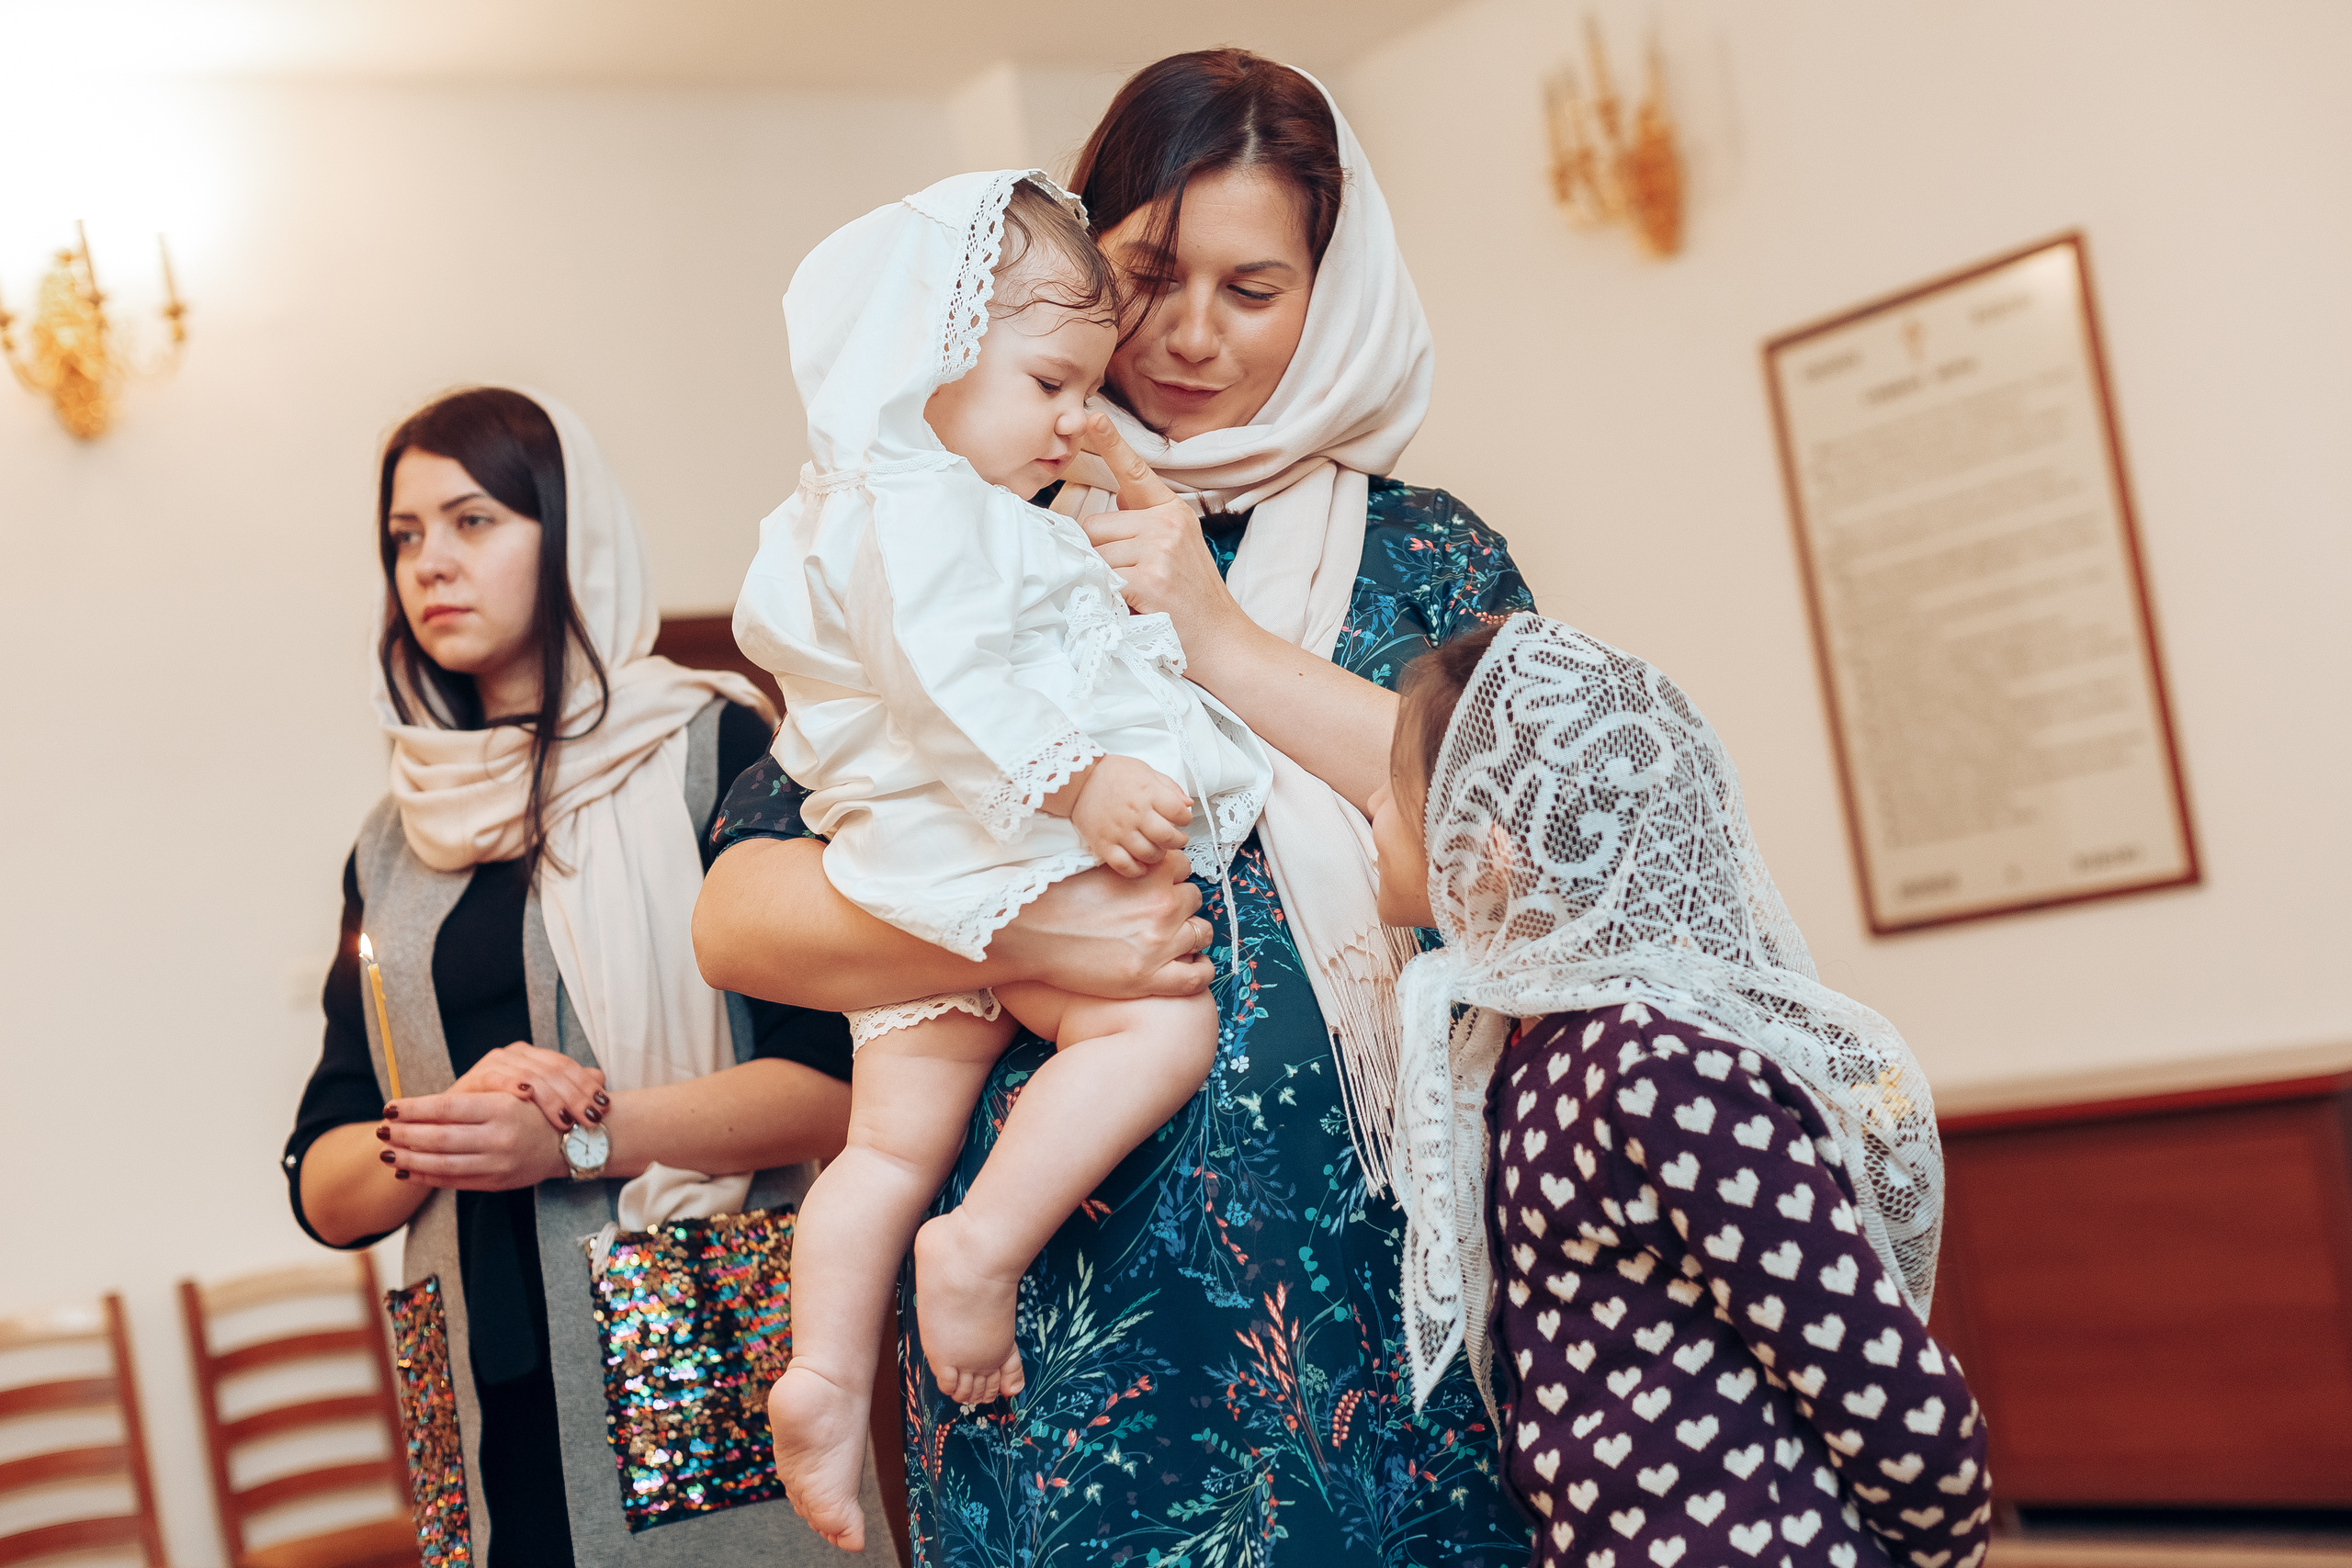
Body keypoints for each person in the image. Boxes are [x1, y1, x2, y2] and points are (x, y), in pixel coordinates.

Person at [696, 51, 1539, 1565]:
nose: (1191, 335)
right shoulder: (954, 517)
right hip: (1061, 1348)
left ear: (1329, 294)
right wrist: (1037, 934)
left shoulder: (1430, 564)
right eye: (1149, 274)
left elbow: (1526, 859)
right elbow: (741, 912)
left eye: (1255, 286)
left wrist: (1219, 641)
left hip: (1383, 1325)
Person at [740, 170, 1276, 1550]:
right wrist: (1082, 778)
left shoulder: (871, 504)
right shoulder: (928, 509)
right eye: (1049, 381)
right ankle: (981, 1245)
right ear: (924, 361)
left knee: (885, 1144)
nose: (1075, 418)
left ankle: (823, 1372)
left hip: (910, 870)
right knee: (1156, 1020)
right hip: (995, 850)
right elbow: (953, 681)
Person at [283, 387, 899, 1568]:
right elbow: (325, 1178)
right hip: (472, 1372)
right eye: (404, 538)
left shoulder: (716, 757)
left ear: (570, 533)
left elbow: (840, 1086)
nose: (430, 565)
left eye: (473, 522)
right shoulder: (391, 839)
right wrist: (446, 1128)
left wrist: (572, 1142)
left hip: (687, 1328)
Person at [1372, 614, 1994, 1568]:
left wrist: (1937, 1549)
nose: (1367, 810)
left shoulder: (1653, 1064)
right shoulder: (1525, 1053)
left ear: (1488, 852)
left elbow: (1884, 1387)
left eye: (1395, 791)